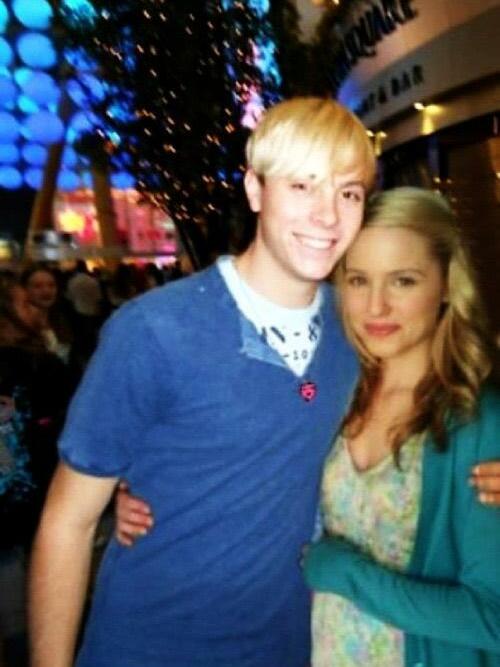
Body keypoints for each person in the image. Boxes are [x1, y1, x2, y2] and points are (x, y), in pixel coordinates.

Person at [28, 98, 500, 667]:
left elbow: (455, 393)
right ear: (255, 189)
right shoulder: (154, 331)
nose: (327, 216)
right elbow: (68, 523)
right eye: (302, 186)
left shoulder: (355, 332)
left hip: (290, 649)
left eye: (348, 193)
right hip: (150, 648)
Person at [303, 187, 500, 666]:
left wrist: (346, 573)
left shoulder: (476, 421)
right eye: (358, 280)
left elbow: (491, 617)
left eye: (403, 281)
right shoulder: (331, 392)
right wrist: (141, 489)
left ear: (447, 284)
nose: (376, 307)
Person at [0, 276, 73, 667]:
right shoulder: (36, 365)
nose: (34, 308)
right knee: (29, 615)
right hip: (31, 504)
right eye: (24, 303)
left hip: (18, 507)